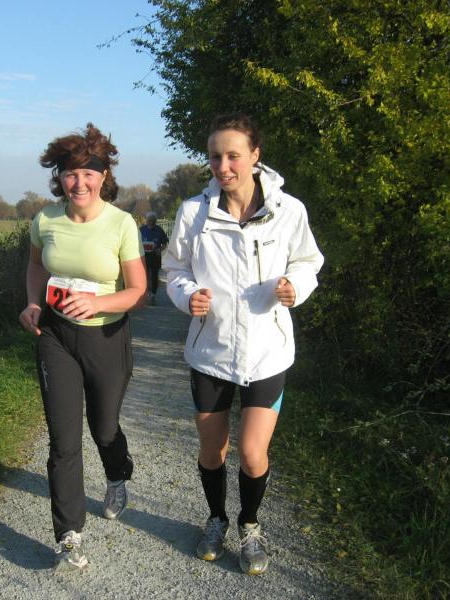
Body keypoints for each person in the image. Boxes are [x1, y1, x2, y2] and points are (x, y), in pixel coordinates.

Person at [163, 113, 323, 575]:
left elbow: (308, 262)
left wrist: (295, 285)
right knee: (213, 451)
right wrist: (187, 295)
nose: (223, 166)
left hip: (267, 352)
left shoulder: (288, 210)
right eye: (215, 156)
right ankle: (216, 519)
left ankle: (250, 525)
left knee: (253, 454)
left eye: (233, 155)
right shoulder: (193, 213)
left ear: (255, 155)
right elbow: (174, 270)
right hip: (210, 353)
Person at [18, 123, 147, 572]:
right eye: (70, 173)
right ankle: (68, 533)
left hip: (106, 337)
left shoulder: (120, 223)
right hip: (56, 337)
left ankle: (117, 474)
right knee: (63, 439)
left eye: (88, 173)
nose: (79, 182)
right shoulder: (45, 220)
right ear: (59, 177)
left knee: (104, 429)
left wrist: (97, 303)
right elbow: (36, 266)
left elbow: (139, 291)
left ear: (103, 176)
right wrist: (33, 304)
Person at [139, 211, 168, 305]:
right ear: (146, 220)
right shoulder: (141, 229)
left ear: (155, 221)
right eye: (149, 220)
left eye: (152, 220)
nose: (150, 222)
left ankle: (153, 295)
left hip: (155, 256)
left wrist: (160, 249)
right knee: (144, 275)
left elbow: (165, 244)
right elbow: (135, 241)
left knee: (154, 276)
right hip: (144, 256)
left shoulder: (159, 230)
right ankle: (145, 293)